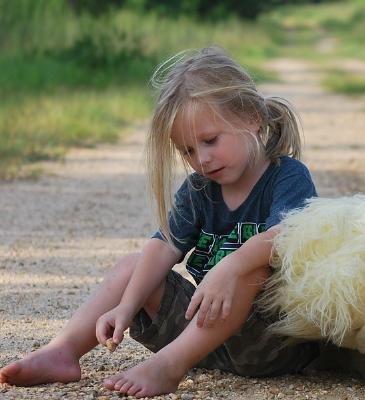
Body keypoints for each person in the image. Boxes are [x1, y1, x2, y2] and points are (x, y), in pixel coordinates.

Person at [0, 46, 319, 397]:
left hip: (272, 343)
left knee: (252, 268)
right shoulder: (200, 188)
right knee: (133, 267)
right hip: (204, 337)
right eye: (188, 151)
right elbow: (164, 245)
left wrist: (230, 267)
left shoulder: (286, 176)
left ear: (251, 118)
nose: (202, 159)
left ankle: (169, 366)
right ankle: (63, 350)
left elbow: (287, 235)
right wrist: (126, 304)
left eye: (210, 140)